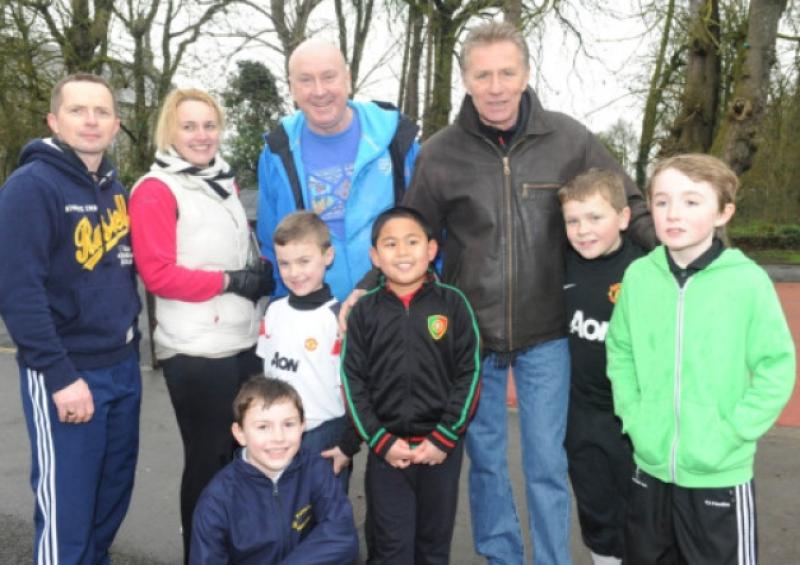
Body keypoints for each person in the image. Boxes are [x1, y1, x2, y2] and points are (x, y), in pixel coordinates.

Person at [398, 21, 655, 565]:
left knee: (547, 463)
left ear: (526, 73)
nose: (496, 86)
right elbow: (410, 235)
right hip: (473, 339)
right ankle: (503, 558)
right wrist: (370, 289)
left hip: (547, 335)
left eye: (507, 72)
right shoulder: (440, 153)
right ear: (466, 79)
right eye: (483, 74)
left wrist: (680, 257)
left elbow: (630, 203)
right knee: (487, 464)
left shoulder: (570, 138)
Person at [606, 153, 796, 564]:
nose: (673, 214)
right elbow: (620, 350)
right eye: (661, 201)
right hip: (649, 471)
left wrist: (733, 433)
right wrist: (634, 416)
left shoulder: (747, 282)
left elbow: (776, 366)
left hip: (718, 478)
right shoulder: (639, 277)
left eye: (692, 201)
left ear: (723, 212)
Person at [0, 73, 142, 564]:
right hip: (68, 371)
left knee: (110, 500)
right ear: (54, 120)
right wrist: (61, 378)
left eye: (102, 112)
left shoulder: (115, 189)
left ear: (116, 124)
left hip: (123, 366)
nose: (91, 120)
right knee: (68, 515)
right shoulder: (30, 188)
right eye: (78, 110)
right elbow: (19, 295)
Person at [129, 88, 273, 560]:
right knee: (210, 461)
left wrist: (259, 268)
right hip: (194, 350)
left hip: (241, 340)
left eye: (209, 125)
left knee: (239, 459)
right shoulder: (155, 189)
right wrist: (232, 280)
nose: (201, 135)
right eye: (189, 126)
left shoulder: (221, 182)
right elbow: (158, 275)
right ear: (170, 130)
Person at [340, 206, 481, 564]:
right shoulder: (365, 312)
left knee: (433, 549)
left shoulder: (454, 304)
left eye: (412, 241)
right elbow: (353, 381)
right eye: (390, 244)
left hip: (440, 453)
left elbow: (470, 374)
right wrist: (379, 440)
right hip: (388, 453)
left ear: (431, 249)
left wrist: (445, 436)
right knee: (391, 549)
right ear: (375, 256)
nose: (402, 252)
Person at [257, 38, 420, 302]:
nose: (319, 91)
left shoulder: (396, 139)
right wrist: (283, 311)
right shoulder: (277, 151)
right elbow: (270, 241)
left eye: (329, 77)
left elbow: (429, 226)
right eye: (306, 80)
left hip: (394, 307)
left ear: (348, 78)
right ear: (292, 88)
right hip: (312, 318)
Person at [558, 169, 644, 565]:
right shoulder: (562, 267)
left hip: (636, 420)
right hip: (582, 417)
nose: (583, 230)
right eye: (573, 220)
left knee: (642, 516)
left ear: (624, 218)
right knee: (596, 511)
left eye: (595, 218)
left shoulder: (646, 270)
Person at [189, 376, 359, 564]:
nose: (278, 437)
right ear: (240, 433)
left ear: (303, 426)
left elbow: (341, 535)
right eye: (263, 427)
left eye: (289, 424)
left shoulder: (316, 469)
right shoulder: (217, 500)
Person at [256, 211, 360, 485]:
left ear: (328, 256)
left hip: (324, 433)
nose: (294, 273)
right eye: (285, 264)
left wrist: (349, 444)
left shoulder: (338, 319)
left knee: (325, 518)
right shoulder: (274, 311)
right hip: (277, 434)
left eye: (304, 261)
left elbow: (356, 390)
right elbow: (263, 375)